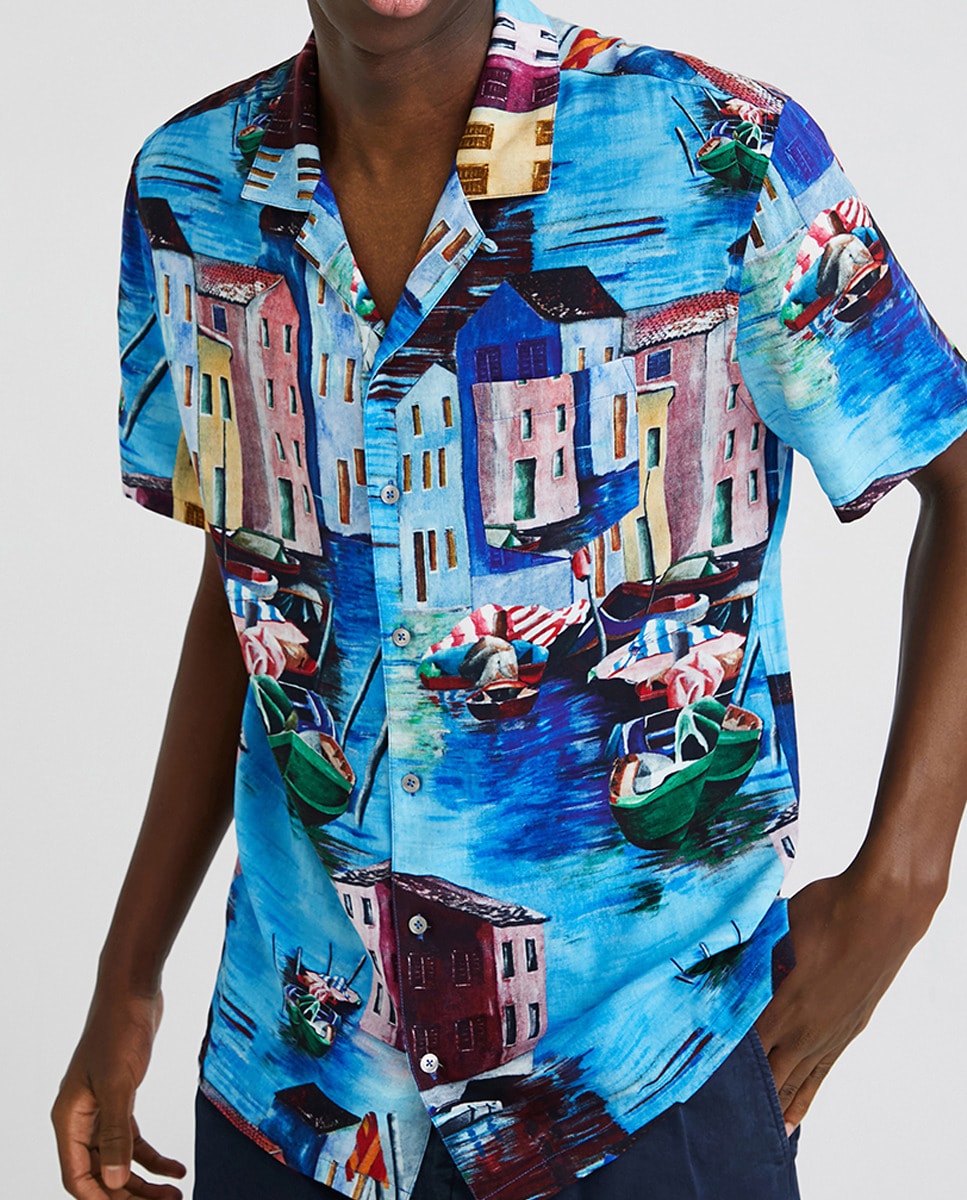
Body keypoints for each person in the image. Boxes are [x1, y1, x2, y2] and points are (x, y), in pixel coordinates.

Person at [50, 1, 967, 1198]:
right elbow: (261, 575)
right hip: (300, 1087)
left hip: (641, 1076)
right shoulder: (190, 188)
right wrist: (128, 975)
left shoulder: (716, 150)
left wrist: (901, 886)